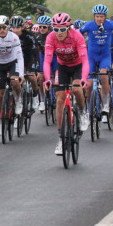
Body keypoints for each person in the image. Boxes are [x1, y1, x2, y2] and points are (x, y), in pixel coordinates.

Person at [43, 13, 89, 155]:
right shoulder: (50, 37)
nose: (59, 33)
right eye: (56, 29)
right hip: (62, 67)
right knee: (60, 99)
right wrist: (47, 79)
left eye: (62, 29)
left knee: (76, 89)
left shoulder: (77, 36)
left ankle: (82, 112)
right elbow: (47, 61)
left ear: (69, 28)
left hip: (78, 66)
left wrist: (84, 79)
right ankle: (61, 138)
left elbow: (85, 60)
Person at [79, 4, 113, 118]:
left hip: (105, 57)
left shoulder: (110, 25)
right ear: (94, 16)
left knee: (103, 75)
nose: (99, 19)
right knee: (89, 84)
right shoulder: (89, 25)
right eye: (97, 16)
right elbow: (78, 33)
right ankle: (89, 107)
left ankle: (106, 104)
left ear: (105, 17)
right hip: (91, 56)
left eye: (102, 16)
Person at [0, 15, 24, 137]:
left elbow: (20, 57)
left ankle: (18, 99)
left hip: (12, 62)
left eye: (4, 27)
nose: (2, 30)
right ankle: (0, 123)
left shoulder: (14, 37)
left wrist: (20, 74)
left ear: (8, 27)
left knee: (15, 81)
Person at [10, 15, 39, 109]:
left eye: (18, 27)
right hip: (15, 60)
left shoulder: (29, 36)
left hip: (28, 58)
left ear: (22, 27)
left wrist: (36, 68)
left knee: (31, 77)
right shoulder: (8, 36)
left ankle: (35, 95)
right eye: (13, 28)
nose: (15, 30)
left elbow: (35, 52)